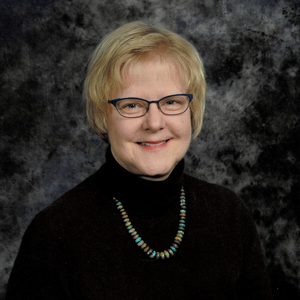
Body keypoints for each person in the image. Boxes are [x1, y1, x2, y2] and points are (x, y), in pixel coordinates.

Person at [6, 22, 273, 300]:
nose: (154, 123)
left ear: (192, 111)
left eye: (171, 102)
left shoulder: (228, 214)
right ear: (102, 116)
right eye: (131, 104)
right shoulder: (54, 233)